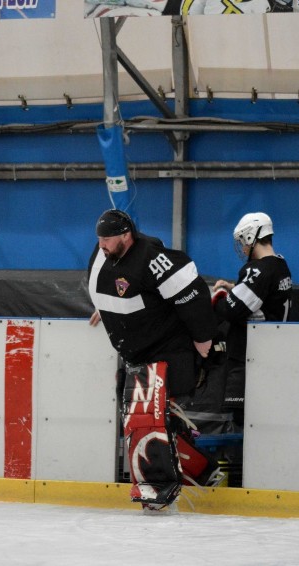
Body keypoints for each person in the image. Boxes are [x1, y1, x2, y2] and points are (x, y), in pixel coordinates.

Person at [87, 209, 220, 512]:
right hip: (134, 354)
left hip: (165, 350)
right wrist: (106, 308)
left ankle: (161, 491)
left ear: (125, 235)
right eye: (99, 239)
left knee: (148, 419)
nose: (102, 244)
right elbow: (111, 286)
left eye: (108, 239)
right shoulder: (104, 253)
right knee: (144, 418)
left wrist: (203, 338)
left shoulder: (151, 257)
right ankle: (201, 472)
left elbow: (191, 292)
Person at [208, 212, 292, 422]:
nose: (243, 248)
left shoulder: (258, 270)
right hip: (271, 350)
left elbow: (232, 310)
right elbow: (263, 295)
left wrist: (216, 298)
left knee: (241, 421)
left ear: (250, 237)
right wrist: (235, 287)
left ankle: (236, 457)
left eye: (242, 242)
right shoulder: (280, 264)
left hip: (249, 355)